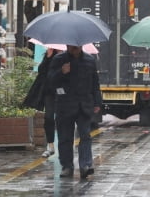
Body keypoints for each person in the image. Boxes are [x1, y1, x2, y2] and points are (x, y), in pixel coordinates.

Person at [48, 45, 102, 178]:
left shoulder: (89, 60)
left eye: (76, 46)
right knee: (65, 138)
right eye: (71, 46)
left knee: (85, 135)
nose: (74, 49)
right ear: (67, 46)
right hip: (65, 105)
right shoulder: (59, 59)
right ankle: (67, 166)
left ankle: (85, 165)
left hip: (84, 104)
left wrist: (97, 101)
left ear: (81, 45)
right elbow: (50, 81)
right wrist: (61, 71)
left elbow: (95, 82)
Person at [23, 48, 61, 158]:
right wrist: (48, 57)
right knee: (49, 117)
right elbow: (41, 70)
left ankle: (65, 146)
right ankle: (50, 145)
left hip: (63, 92)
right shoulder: (49, 54)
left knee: (63, 119)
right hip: (49, 92)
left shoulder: (67, 55)